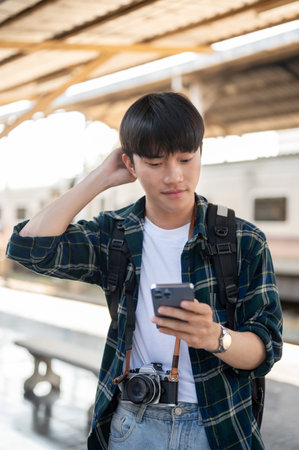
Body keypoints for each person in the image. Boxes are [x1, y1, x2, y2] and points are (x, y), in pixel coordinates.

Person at [6, 92, 283, 450]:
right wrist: (101, 177)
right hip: (133, 424)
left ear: (201, 152)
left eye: (186, 158)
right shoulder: (115, 235)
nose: (175, 176)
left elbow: (267, 350)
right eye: (154, 163)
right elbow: (29, 249)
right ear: (130, 164)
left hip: (220, 427)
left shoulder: (243, 240)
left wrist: (215, 337)